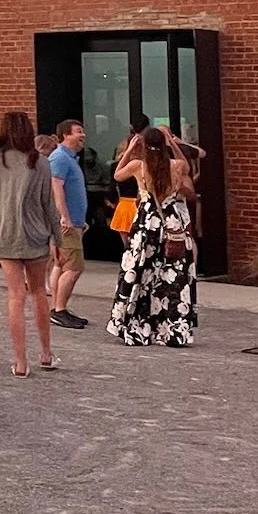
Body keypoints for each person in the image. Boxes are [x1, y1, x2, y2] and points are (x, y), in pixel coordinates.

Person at [0, 111, 60, 377]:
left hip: (4, 234)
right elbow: (48, 205)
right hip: (36, 234)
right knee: (39, 293)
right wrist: (59, 239)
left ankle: (20, 362)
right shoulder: (40, 162)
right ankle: (46, 353)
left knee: (15, 296)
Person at [107, 127, 197, 347]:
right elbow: (186, 165)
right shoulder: (176, 166)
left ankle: (137, 326)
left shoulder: (139, 166)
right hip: (171, 222)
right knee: (172, 275)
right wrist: (173, 143)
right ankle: (172, 330)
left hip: (147, 223)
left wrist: (129, 150)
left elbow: (117, 174)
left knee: (141, 272)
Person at [47, 121, 91, 330]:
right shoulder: (60, 158)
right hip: (67, 223)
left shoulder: (69, 158)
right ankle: (59, 309)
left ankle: (57, 307)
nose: (83, 135)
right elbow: (56, 187)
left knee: (61, 265)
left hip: (74, 221)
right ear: (66, 135)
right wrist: (64, 217)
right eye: (78, 132)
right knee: (74, 268)